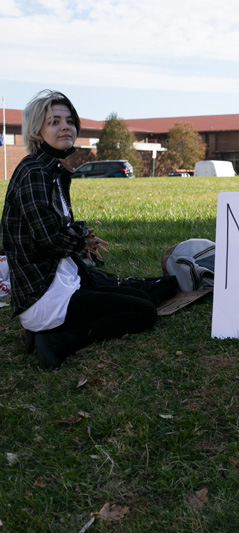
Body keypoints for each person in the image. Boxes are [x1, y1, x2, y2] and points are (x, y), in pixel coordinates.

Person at [1, 90, 158, 368]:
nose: (65, 127)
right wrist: (81, 243)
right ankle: (57, 339)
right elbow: (49, 238)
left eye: (70, 121)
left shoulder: (51, 171)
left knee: (142, 296)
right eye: (54, 122)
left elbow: (57, 226)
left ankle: (43, 331)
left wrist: (81, 235)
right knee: (144, 311)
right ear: (37, 131)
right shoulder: (34, 172)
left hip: (60, 284)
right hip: (45, 296)